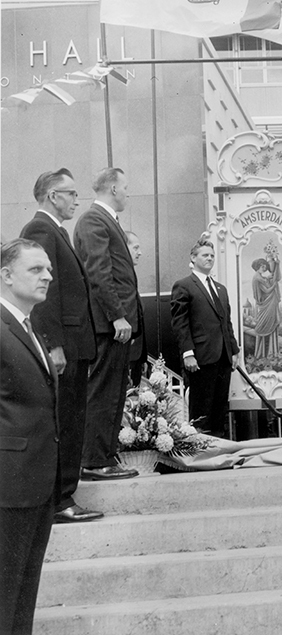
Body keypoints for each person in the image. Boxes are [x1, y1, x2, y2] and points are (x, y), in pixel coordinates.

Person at [19, 169, 103, 524]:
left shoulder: (54, 230)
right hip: (63, 344)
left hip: (73, 341)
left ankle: (64, 496)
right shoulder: (40, 230)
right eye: (70, 193)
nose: (76, 200)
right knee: (66, 423)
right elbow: (45, 297)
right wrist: (52, 345)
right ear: (53, 195)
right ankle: (61, 500)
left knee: (72, 420)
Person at [0, 238, 59, 635]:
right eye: (35, 269)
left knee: (22, 600)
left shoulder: (27, 326)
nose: (48, 277)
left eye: (49, 270)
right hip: (8, 486)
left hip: (35, 484)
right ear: (5, 276)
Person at [73, 167, 140, 480]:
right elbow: (99, 273)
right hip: (110, 323)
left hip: (115, 322)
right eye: (125, 187)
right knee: (104, 392)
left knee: (113, 392)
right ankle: (94, 461)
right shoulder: (93, 220)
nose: (128, 192)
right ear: (113, 188)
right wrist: (116, 315)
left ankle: (104, 458)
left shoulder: (103, 221)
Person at [170, 239, 240, 438]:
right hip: (200, 357)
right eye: (204, 255)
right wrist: (188, 353)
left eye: (212, 255)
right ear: (193, 258)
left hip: (223, 357)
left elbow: (226, 323)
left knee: (219, 408)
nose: (209, 258)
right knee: (201, 409)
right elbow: (180, 324)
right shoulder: (183, 286)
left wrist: (234, 350)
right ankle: (201, 452)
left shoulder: (220, 289)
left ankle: (219, 450)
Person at [125, 231, 148, 387]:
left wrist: (143, 358)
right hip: (126, 356)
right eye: (136, 248)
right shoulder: (121, 280)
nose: (140, 253)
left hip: (136, 358)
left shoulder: (131, 277)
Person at [251, 253, 282, 360]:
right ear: (258, 267)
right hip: (266, 305)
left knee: (269, 324)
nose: (265, 268)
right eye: (263, 266)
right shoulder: (258, 278)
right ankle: (265, 353)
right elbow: (267, 290)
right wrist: (274, 285)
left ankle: (266, 353)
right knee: (264, 326)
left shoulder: (259, 276)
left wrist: (268, 278)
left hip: (266, 304)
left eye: (265, 266)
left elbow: (265, 282)